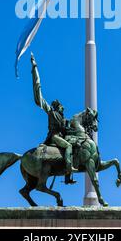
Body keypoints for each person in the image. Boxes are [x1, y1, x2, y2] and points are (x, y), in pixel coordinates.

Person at [30, 52, 78, 184]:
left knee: (75, 146)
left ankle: (68, 177)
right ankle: (69, 170)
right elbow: (38, 95)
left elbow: (68, 129)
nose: (63, 108)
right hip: (54, 137)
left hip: (62, 136)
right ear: (57, 107)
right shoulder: (51, 112)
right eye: (61, 106)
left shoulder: (64, 119)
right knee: (68, 146)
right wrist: (34, 68)